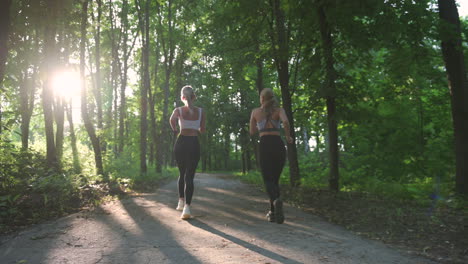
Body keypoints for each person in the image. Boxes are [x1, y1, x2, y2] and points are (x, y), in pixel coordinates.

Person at [249, 88, 293, 224]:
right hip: (278, 144)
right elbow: (285, 122)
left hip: (264, 145)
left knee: (268, 179)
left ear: (262, 99)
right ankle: (274, 213)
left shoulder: (255, 112)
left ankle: (275, 202)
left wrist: (259, 125)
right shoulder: (279, 111)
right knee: (275, 180)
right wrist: (288, 136)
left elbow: (252, 131)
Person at [169, 85, 206, 220]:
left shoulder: (178, 110)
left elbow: (171, 120)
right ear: (194, 97)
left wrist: (175, 129)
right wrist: (195, 126)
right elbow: (203, 130)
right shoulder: (201, 111)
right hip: (193, 143)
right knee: (189, 176)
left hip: (181, 142)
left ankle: (180, 200)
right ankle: (187, 208)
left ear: (182, 97)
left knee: (182, 173)